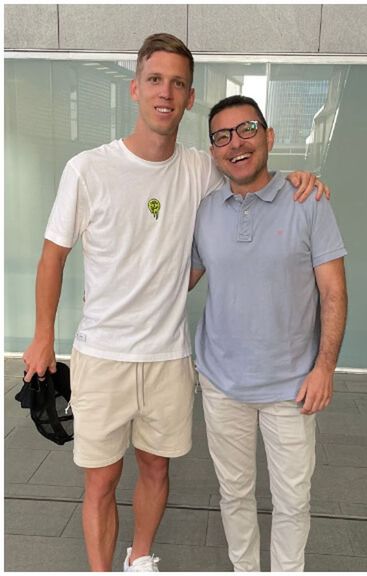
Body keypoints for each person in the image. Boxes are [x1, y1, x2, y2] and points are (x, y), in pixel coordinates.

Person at [20, 34, 327, 572]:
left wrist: (299, 179)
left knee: (157, 471)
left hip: (168, 357)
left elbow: (249, 171)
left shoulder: (200, 168)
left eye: (179, 83)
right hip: (103, 354)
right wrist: (43, 335)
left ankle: (140, 560)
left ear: (189, 98)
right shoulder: (87, 169)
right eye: (156, 79)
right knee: (101, 480)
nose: (166, 91)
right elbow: (53, 257)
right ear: (136, 88)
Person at [189, 95, 346, 571]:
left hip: (292, 386)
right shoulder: (205, 210)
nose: (235, 143)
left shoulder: (309, 200)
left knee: (293, 501)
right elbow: (176, 279)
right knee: (234, 495)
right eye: (222, 136)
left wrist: (325, 369)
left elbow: (334, 293)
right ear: (214, 151)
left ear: (269, 136)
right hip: (221, 383)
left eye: (247, 129)